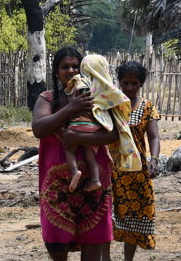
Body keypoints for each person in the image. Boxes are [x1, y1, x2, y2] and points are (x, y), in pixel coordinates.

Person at [32, 47, 118, 261]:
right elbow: (39, 129)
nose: (71, 71)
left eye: (75, 66)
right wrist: (70, 109)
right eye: (65, 67)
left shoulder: (98, 96)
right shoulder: (47, 98)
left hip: (94, 176)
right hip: (57, 179)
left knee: (94, 234)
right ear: (56, 72)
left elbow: (114, 133)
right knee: (54, 236)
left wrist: (82, 138)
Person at [98, 61, 160, 261]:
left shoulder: (147, 107)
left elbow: (153, 136)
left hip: (137, 170)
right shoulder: (111, 105)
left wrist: (154, 159)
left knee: (133, 214)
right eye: (125, 83)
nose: (129, 87)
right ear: (119, 83)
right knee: (107, 214)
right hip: (110, 167)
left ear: (141, 84)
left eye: (134, 83)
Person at [60, 54, 141, 192]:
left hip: (78, 123)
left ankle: (74, 173)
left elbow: (70, 95)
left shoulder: (80, 81)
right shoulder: (105, 88)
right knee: (90, 155)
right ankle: (95, 180)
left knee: (69, 150)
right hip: (96, 126)